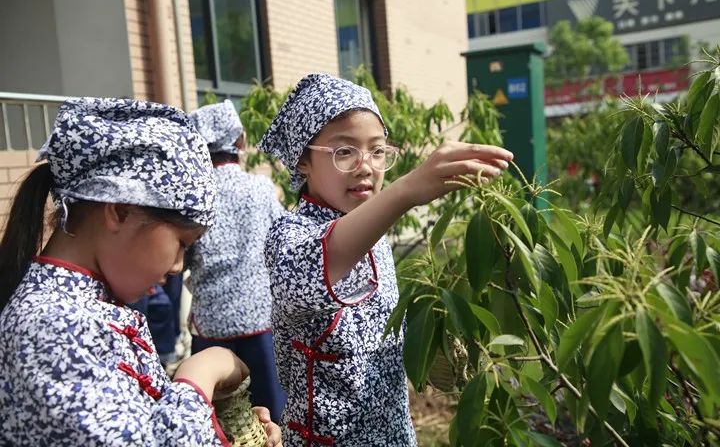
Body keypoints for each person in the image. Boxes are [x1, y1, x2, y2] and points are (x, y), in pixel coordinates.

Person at [0, 97, 281, 446]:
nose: (179, 264)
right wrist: (198, 376)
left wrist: (217, 424)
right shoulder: (48, 324)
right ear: (119, 212)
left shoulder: (92, 306)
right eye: (182, 241)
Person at [258, 73, 513, 445]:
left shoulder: (373, 232)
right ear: (302, 161)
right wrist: (405, 191)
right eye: (344, 151)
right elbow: (306, 273)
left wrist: (433, 337)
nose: (367, 166)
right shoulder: (290, 234)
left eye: (378, 151)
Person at [186, 100, 287, 422]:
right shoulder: (260, 189)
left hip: (211, 322)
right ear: (240, 142)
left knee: (216, 415)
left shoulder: (194, 194)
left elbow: (183, 255)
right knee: (270, 412)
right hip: (259, 319)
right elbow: (282, 242)